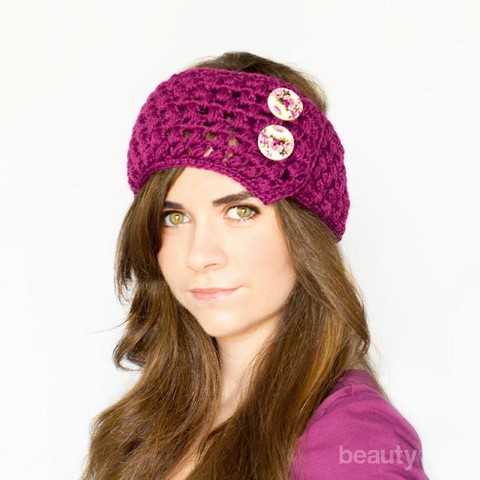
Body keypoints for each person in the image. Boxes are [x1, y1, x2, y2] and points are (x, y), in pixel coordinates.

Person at [81, 51, 429, 479]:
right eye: (174, 217)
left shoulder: (353, 439)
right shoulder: (151, 420)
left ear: (304, 234)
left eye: (240, 212)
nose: (200, 255)